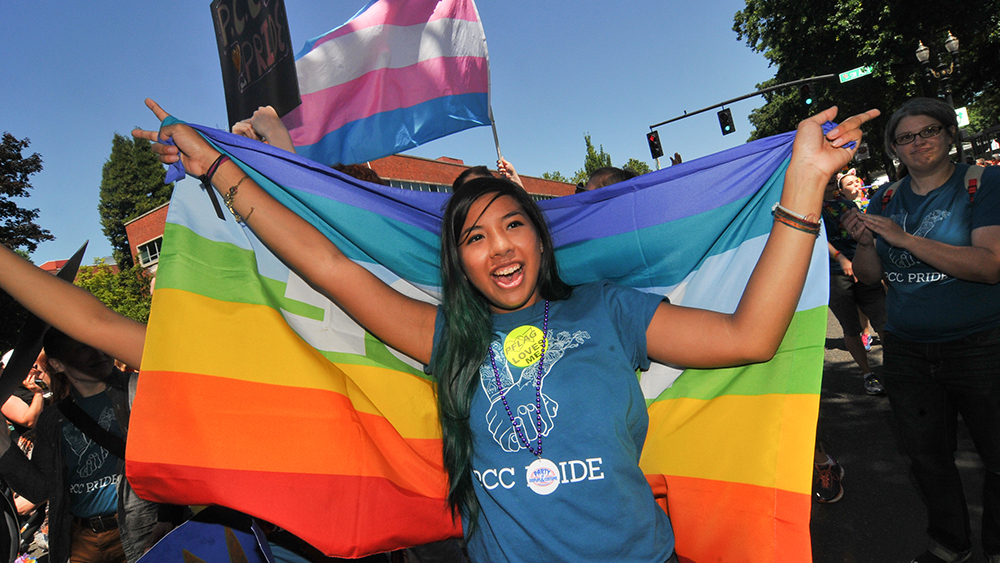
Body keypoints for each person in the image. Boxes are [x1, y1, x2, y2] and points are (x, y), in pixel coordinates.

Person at [0, 101, 874, 562]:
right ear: (459, 260)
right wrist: (224, 169)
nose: (499, 247)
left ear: (539, 234)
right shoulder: (442, 335)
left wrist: (801, 185)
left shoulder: (609, 309)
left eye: (513, 225)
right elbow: (329, 269)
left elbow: (754, 335)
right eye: (475, 235)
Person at [843, 97, 1000, 563]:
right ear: (894, 148)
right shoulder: (886, 197)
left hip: (982, 345)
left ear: (949, 134)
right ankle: (950, 543)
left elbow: (991, 266)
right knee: (927, 460)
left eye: (929, 131)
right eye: (906, 137)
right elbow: (870, 277)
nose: (919, 143)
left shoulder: (983, 183)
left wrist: (903, 237)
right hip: (909, 349)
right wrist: (867, 242)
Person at [0, 330, 183, 563]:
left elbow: (176, 456)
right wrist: (4, 446)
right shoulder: (53, 419)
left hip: (142, 529)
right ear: (56, 364)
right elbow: (40, 490)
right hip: (81, 540)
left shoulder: (141, 390)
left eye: (98, 344)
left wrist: (169, 516)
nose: (97, 353)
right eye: (81, 348)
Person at [821, 174, 888, 395]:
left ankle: (898, 367)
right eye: (824, 175)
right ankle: (868, 374)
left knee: (885, 321)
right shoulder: (809, 209)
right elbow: (816, 238)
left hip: (862, 268)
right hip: (834, 275)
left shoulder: (848, 205)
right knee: (851, 328)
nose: (829, 178)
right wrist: (841, 258)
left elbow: (863, 234)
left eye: (832, 175)